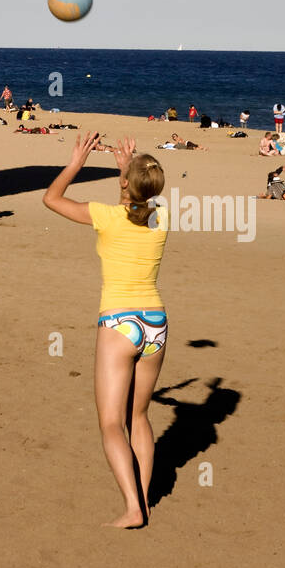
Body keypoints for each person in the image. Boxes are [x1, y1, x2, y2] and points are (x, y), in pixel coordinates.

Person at [43, 133, 169, 528]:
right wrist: (128, 170)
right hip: (156, 323)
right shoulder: (162, 217)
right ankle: (144, 500)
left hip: (118, 323)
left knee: (111, 422)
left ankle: (133, 508)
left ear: (124, 184)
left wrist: (76, 164)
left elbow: (51, 198)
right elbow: (140, 204)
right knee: (140, 416)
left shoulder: (105, 216)